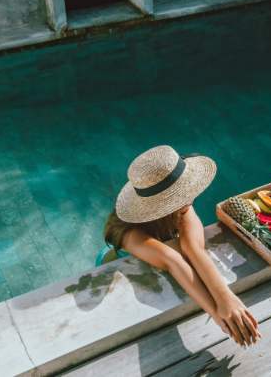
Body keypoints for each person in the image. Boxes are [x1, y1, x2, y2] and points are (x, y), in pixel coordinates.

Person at [102, 145, 261, 347]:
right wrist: (218, 315)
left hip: (166, 257)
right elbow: (173, 260)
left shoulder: (181, 207)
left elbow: (193, 249)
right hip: (120, 261)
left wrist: (227, 298)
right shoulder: (127, 232)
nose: (190, 194)